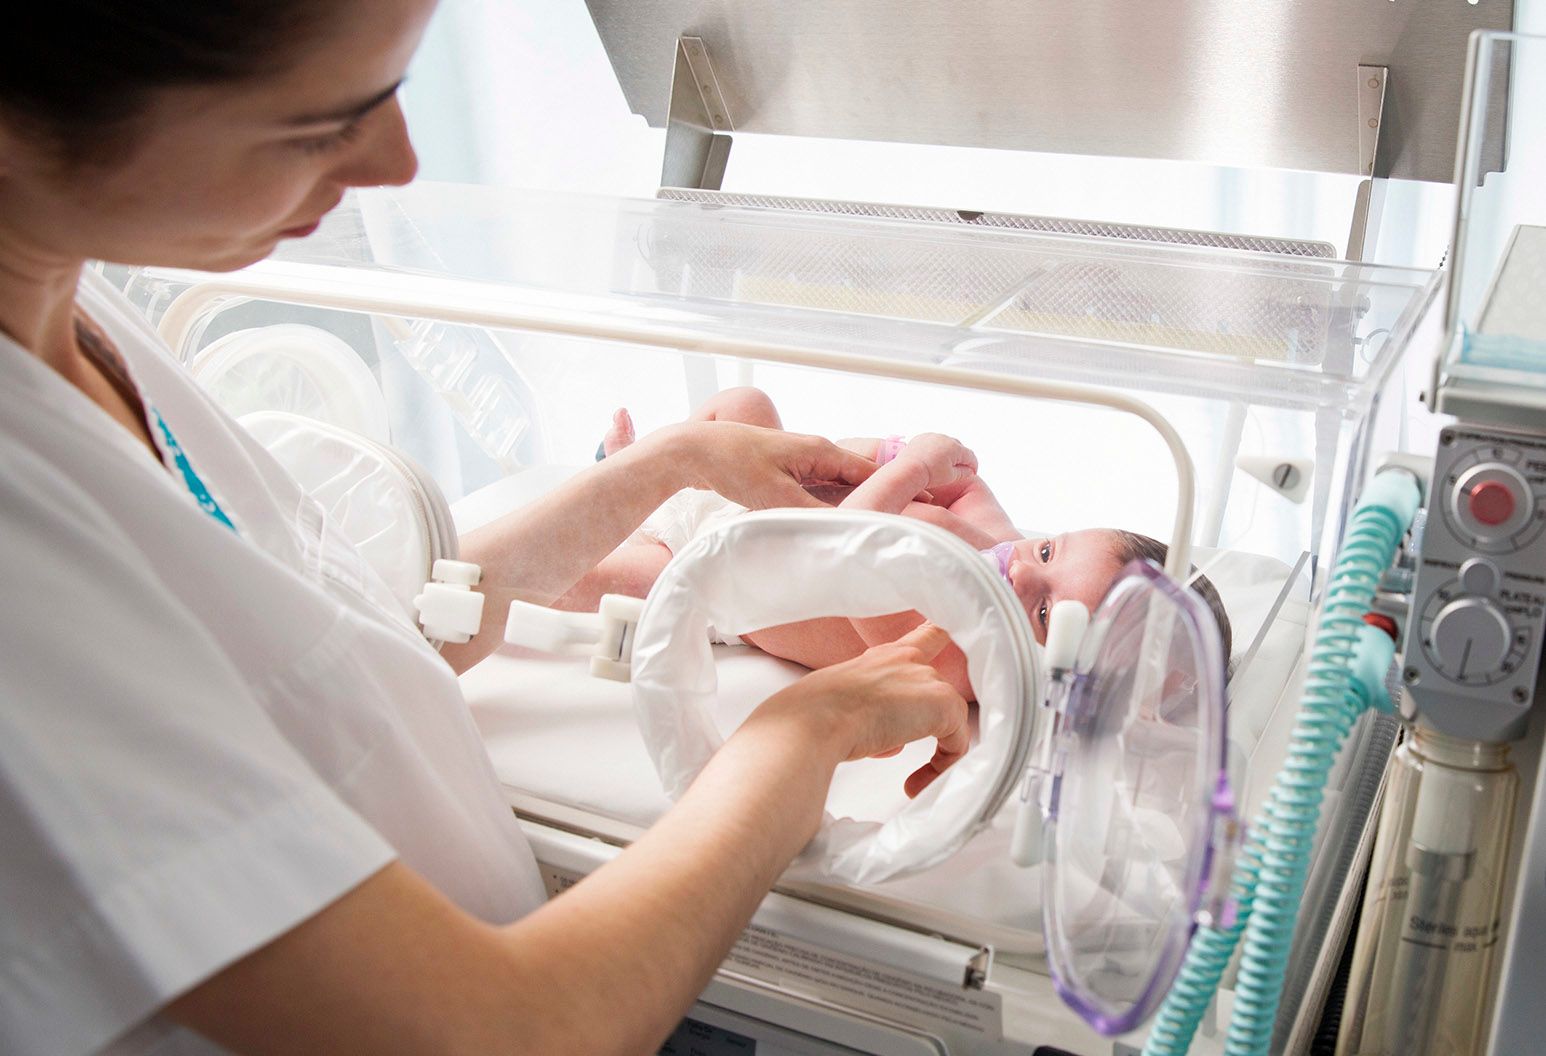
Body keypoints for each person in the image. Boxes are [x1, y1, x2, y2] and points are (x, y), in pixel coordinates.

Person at [0, 4, 973, 1053]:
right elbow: (504, 1034)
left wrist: (673, 463)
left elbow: (359, 636)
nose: (398, 163)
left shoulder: (70, 303)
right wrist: (803, 735)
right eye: (319, 125)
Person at [567, 388, 1233, 701]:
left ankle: (622, 501)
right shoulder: (1004, 544)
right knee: (744, 406)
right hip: (762, 499)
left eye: (1040, 614)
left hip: (718, 580)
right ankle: (640, 478)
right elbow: (964, 488)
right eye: (1050, 552)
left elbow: (842, 555)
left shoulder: (955, 660)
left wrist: (910, 472)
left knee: (585, 578)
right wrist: (902, 454)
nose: (1021, 573)